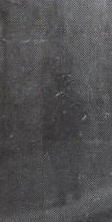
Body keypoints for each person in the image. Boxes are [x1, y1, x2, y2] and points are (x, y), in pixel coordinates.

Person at [43, 71, 87, 206]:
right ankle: (76, 191)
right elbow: (85, 117)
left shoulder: (58, 99)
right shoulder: (77, 97)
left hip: (62, 137)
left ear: (59, 85)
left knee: (60, 167)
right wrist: (80, 128)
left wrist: (50, 135)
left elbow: (53, 119)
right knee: (73, 165)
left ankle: (62, 198)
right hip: (74, 136)